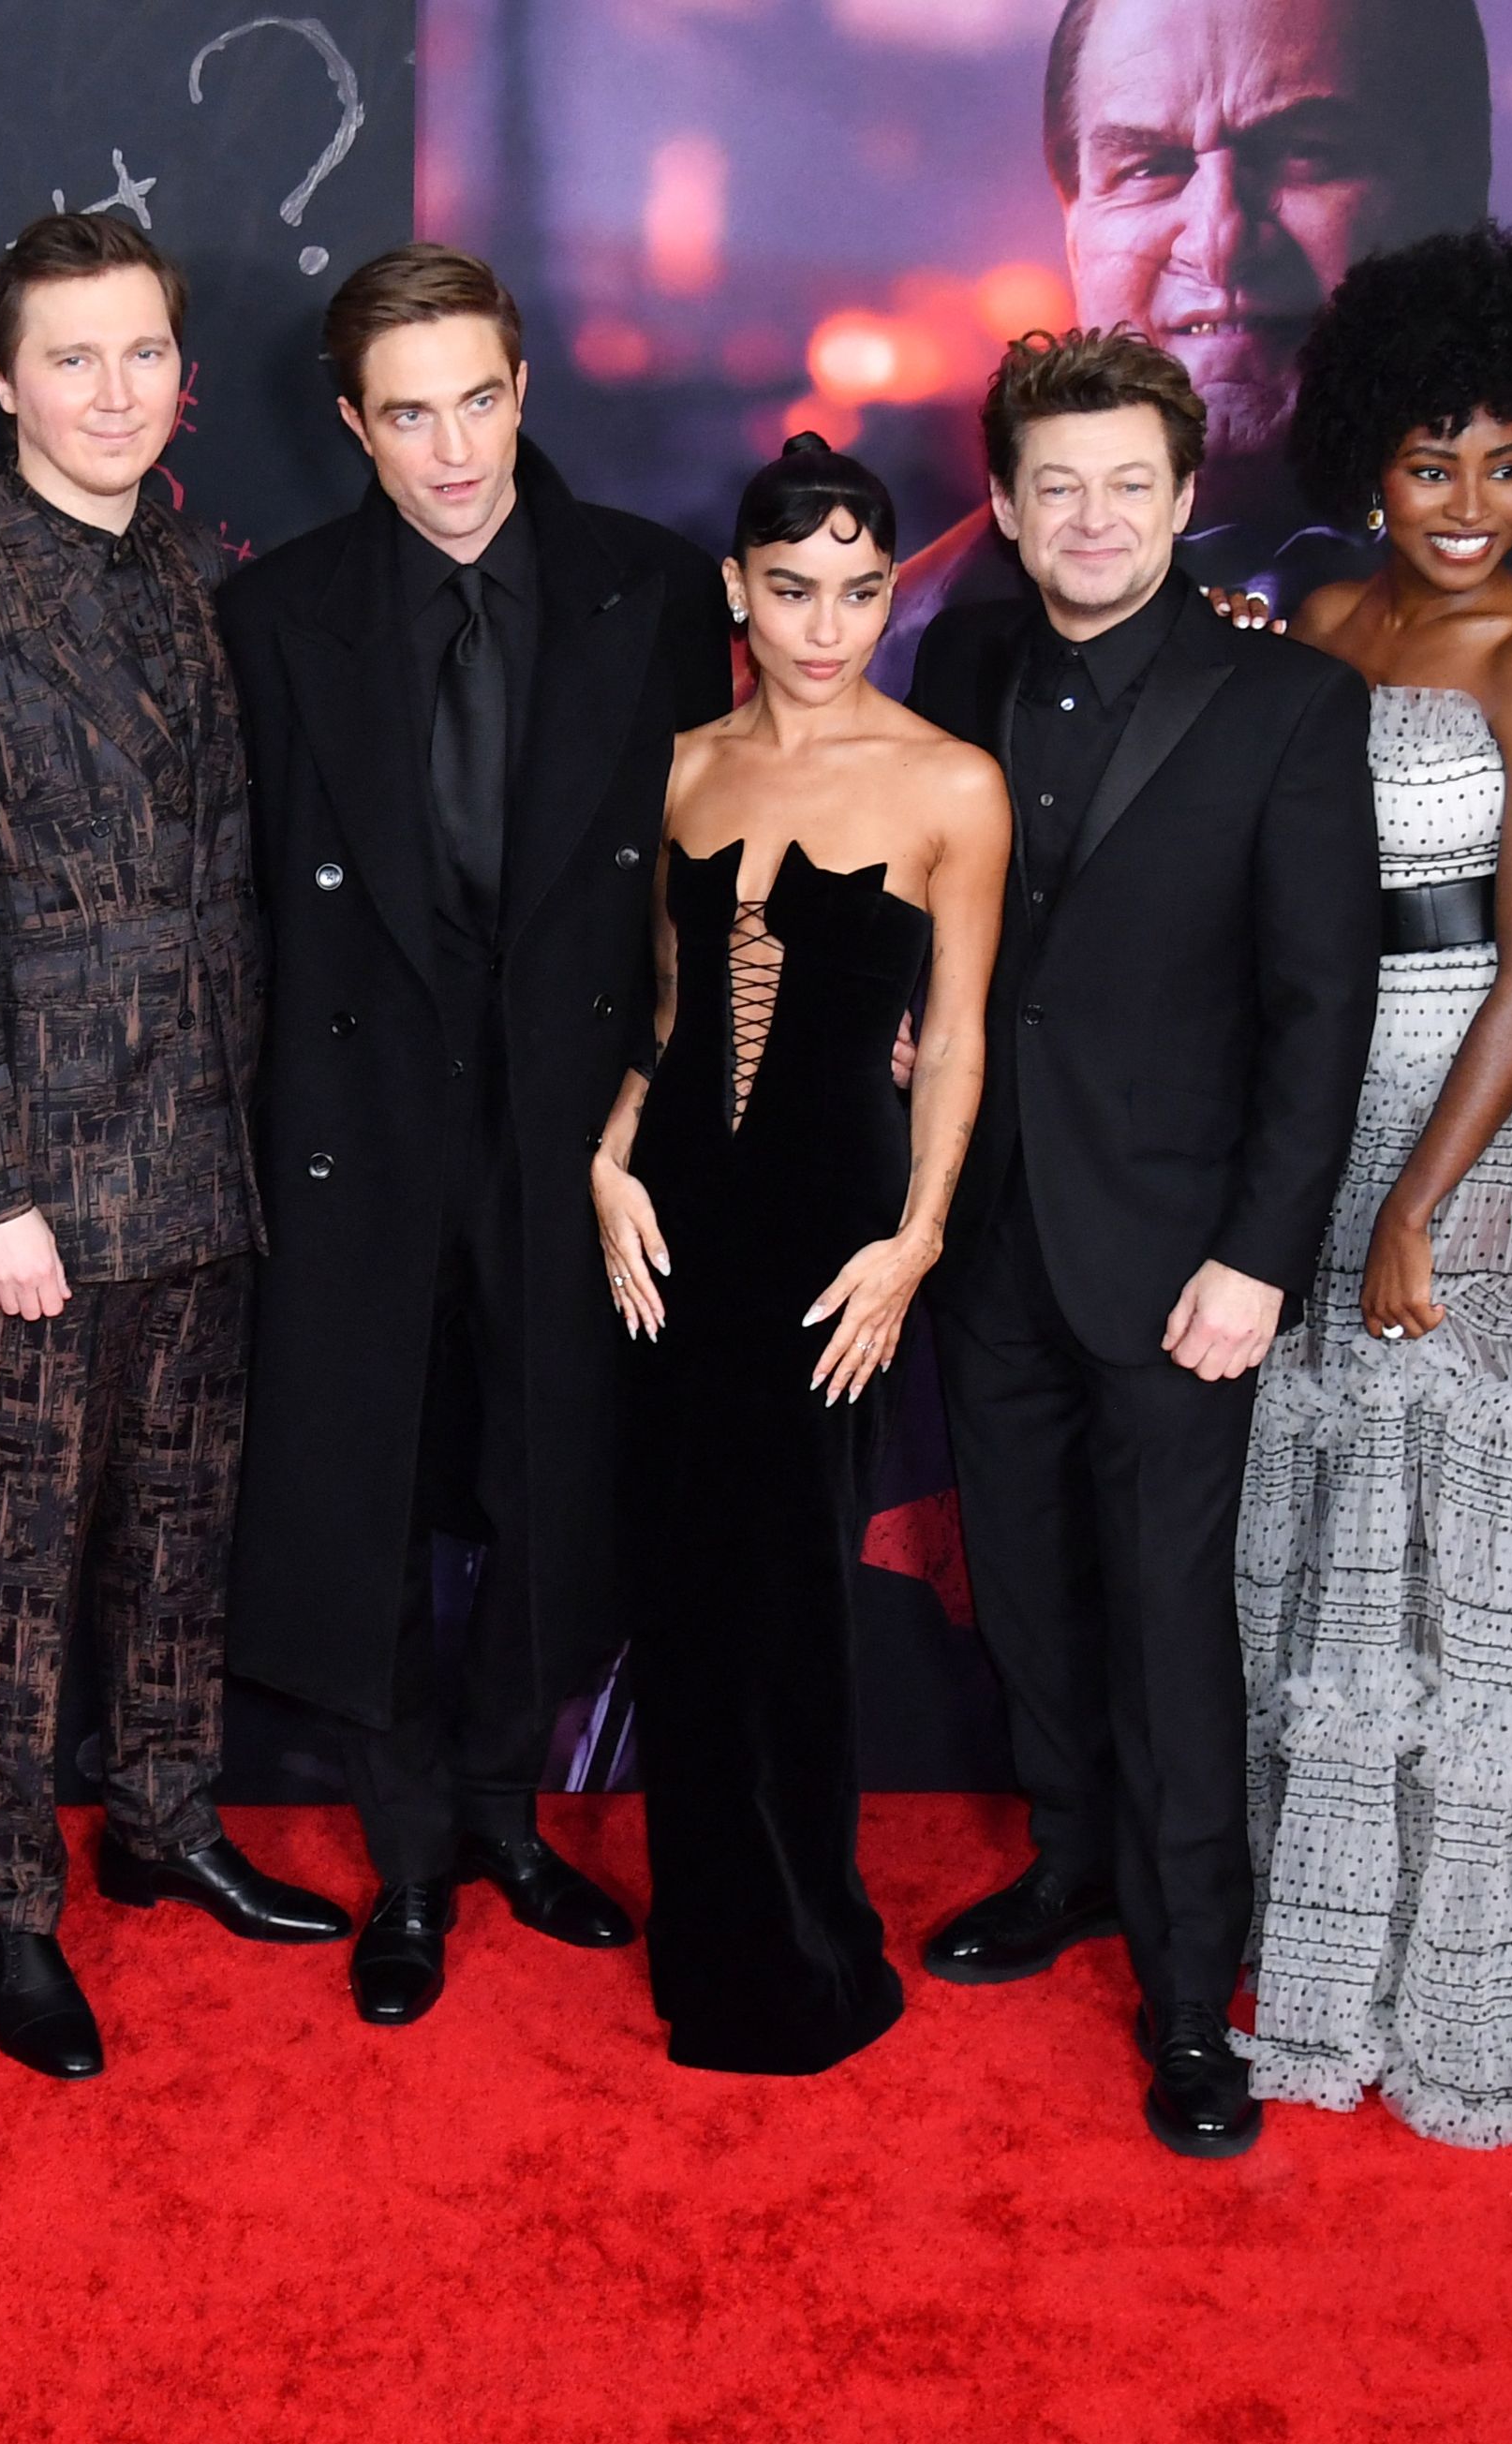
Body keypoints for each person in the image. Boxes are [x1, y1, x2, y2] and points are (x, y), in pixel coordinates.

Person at [0, 212, 348, 2081]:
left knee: (182, 1520)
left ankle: (159, 1813)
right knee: (16, 1553)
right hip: (40, 1187)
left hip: (210, 1147)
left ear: (180, 368)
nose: (111, 391)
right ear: (1, 380)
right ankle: (5, 1895)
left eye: (139, 352)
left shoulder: (199, 570)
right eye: (71, 357)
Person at [220, 245, 734, 2027]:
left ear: (528, 388)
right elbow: (255, 910)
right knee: (364, 1495)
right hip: (357, 1128)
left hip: (575, 1120)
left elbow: (710, 860)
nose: (454, 448)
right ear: (353, 425)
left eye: (481, 399)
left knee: (553, 1472)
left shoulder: (651, 591)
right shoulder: (278, 618)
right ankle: (412, 1856)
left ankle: (512, 1812)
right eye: (410, 412)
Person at [901, 329, 1377, 2156]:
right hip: (988, 1219)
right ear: (1009, 512)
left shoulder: (1283, 702)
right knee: (1020, 1582)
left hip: (1180, 1247)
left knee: (1168, 1619)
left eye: (1127, 484)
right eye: (1053, 486)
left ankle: (1190, 1994)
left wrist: (1260, 1252)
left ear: (1182, 500)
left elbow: (1314, 1006)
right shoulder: (962, 656)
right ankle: (1067, 1865)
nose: (1089, 517)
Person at [1236, 224, 1512, 2147]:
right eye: (1425, 463)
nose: (1466, 505)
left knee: (1448, 1531)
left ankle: (1461, 1958)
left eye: (1501, 461)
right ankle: (1324, 1921)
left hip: (1460, 1122)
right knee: (1336, 1522)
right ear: (1358, 467)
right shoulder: (1313, 629)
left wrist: (1411, 1203)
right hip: (1315, 1106)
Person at [589, 436, 1006, 2075]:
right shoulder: (680, 762)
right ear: (736, 591)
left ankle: (807, 1942)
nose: (826, 626)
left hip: (837, 1231)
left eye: (858, 591)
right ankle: (712, 1940)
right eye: (791, 591)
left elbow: (957, 1040)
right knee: (686, 1588)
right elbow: (669, 1015)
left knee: (795, 1594)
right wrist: (606, 1158)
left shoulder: (947, 781)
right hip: (675, 1218)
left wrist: (918, 1236)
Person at [878, 0, 1495, 668]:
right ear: (1074, 228)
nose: (1217, 238)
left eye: (1306, 155)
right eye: (1149, 168)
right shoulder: (906, 656)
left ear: (1455, 191)